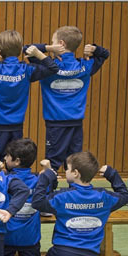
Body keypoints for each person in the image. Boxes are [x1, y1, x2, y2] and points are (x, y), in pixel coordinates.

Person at [32, 152, 128, 256]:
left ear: (75, 173)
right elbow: (125, 196)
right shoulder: (104, 196)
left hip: (62, 252)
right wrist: (112, 174)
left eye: (68, 169)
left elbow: (37, 202)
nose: (66, 171)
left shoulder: (63, 196)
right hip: (90, 254)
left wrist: (46, 176)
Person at [0, 17, 59, 159]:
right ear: (20, 49)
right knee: (15, 160)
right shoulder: (26, 70)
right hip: (16, 126)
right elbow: (52, 68)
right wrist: (39, 52)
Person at [24, 26, 109, 171]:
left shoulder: (48, 67)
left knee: (52, 164)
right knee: (75, 165)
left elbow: (27, 50)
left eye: (53, 41)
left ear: (61, 44)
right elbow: (104, 54)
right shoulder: (85, 66)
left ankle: (49, 192)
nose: (51, 44)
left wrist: (48, 48)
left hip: (55, 124)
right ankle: (75, 192)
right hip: (76, 124)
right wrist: (94, 49)